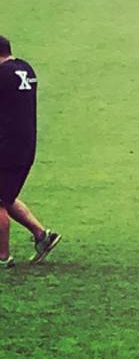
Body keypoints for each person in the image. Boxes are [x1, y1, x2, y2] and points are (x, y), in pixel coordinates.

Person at [0, 35, 61, 268]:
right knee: (6, 195)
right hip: (24, 145)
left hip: (7, 147)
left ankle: (3, 258)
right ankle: (42, 236)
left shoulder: (2, 75)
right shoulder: (25, 67)